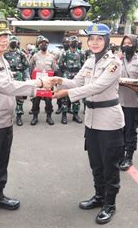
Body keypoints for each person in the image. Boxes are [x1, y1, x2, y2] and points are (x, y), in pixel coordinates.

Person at [0, 20, 52, 228]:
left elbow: (10, 86)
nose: (4, 39)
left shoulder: (1, 59)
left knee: (0, 162)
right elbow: (7, 86)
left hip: (5, 121)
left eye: (6, 35)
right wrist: (38, 84)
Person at [51, 23, 124, 225]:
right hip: (91, 120)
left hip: (109, 121)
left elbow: (98, 86)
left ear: (107, 41)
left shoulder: (114, 63)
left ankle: (109, 205)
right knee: (96, 163)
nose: (94, 42)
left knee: (110, 165)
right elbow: (77, 82)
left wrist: (68, 93)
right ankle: (99, 196)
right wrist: (59, 80)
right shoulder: (90, 61)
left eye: (99, 39)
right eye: (91, 38)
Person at [118, 35, 138, 171]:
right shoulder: (117, 60)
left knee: (130, 131)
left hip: (132, 103)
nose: (126, 45)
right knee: (118, 130)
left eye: (130, 43)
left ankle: (128, 157)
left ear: (135, 45)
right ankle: (119, 154)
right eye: (124, 43)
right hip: (117, 102)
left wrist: (137, 85)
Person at [29, 36, 57, 125]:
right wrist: (32, 79)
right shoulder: (35, 56)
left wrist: (54, 83)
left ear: (48, 45)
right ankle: (35, 117)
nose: (43, 45)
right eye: (42, 43)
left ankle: (49, 116)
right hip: (38, 82)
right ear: (39, 45)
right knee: (36, 100)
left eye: (45, 43)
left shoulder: (52, 57)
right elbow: (31, 67)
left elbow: (54, 69)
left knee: (48, 100)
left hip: (48, 82)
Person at [3, 35, 30, 126]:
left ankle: (19, 116)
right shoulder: (4, 54)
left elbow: (26, 65)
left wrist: (27, 77)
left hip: (19, 76)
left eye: (15, 42)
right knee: (7, 98)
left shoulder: (21, 54)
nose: (13, 43)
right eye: (12, 42)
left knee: (19, 98)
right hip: (8, 76)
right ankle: (8, 117)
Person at [58, 35, 85, 124]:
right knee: (65, 96)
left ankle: (75, 114)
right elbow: (60, 65)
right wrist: (66, 72)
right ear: (69, 43)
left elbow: (83, 65)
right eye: (73, 41)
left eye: (76, 42)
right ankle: (64, 115)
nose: (74, 43)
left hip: (77, 75)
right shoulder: (65, 53)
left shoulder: (81, 53)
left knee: (77, 95)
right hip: (67, 74)